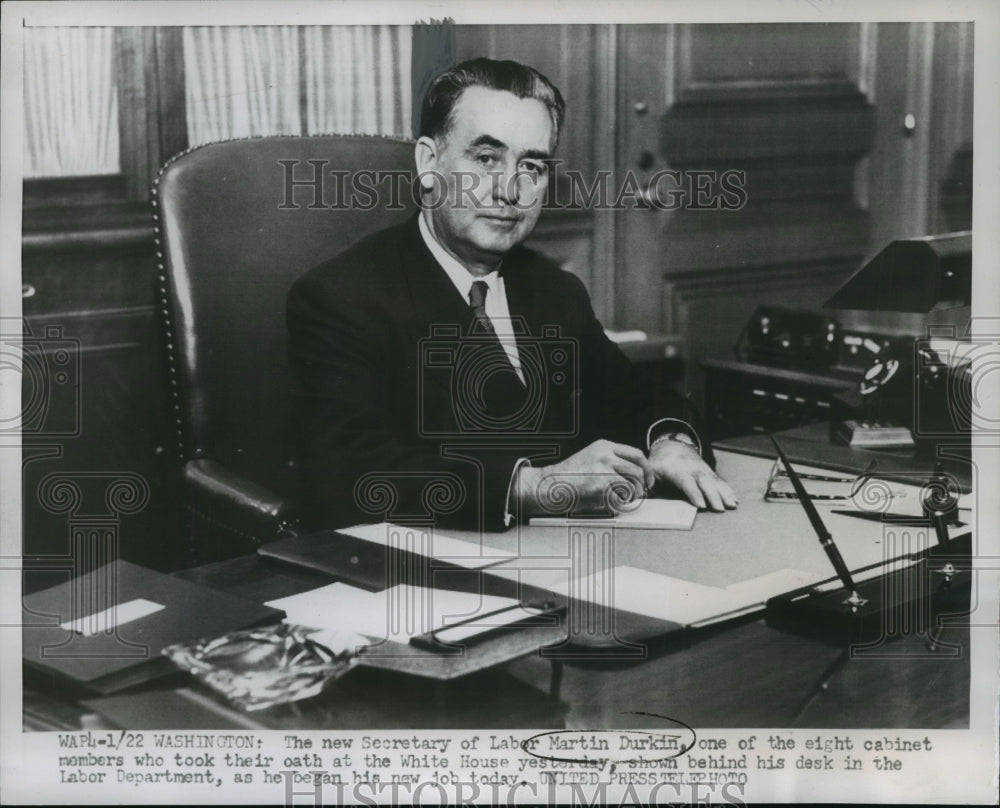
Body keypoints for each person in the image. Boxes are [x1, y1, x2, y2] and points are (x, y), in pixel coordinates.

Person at [287, 58, 737, 532]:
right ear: (428, 163)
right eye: (485, 159)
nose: (509, 189)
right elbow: (350, 472)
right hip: (415, 570)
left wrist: (670, 441)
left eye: (532, 166)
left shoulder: (553, 288)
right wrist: (533, 488)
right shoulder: (340, 297)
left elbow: (635, 396)